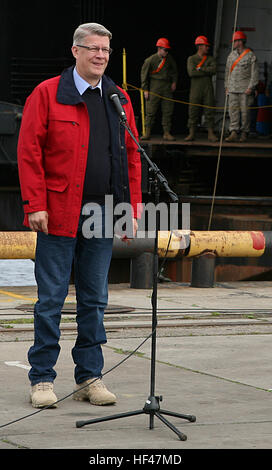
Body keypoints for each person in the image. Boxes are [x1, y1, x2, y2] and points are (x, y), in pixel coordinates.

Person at [17, 22, 142, 408]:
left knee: (95, 299)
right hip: (57, 212)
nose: (100, 55)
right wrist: (35, 202)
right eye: (93, 49)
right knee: (51, 299)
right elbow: (29, 151)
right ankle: (42, 380)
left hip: (103, 213)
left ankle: (90, 376)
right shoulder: (48, 94)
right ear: (75, 51)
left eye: (105, 49)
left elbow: (133, 157)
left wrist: (131, 209)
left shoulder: (118, 99)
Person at [140, 37, 178, 141]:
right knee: (150, 111)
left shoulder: (169, 59)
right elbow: (144, 75)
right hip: (154, 87)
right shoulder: (151, 60)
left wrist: (174, 82)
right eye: (165, 50)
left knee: (168, 110)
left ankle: (166, 132)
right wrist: (145, 89)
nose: (166, 52)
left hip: (166, 87)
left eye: (167, 50)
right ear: (159, 49)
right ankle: (147, 132)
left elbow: (174, 71)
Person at [225, 31, 259, 142]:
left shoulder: (250, 55)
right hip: (233, 88)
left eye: (235, 41)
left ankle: (245, 132)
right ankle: (234, 132)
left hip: (245, 89)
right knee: (233, 111)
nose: (233, 43)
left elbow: (255, 73)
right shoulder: (231, 55)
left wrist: (251, 87)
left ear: (240, 42)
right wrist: (227, 86)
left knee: (245, 113)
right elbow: (227, 72)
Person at [185, 35, 218, 142]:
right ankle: (191, 133)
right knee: (193, 111)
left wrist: (200, 69)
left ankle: (210, 133)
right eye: (206, 46)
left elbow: (214, 70)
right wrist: (205, 70)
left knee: (209, 110)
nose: (208, 48)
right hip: (195, 89)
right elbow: (191, 72)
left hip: (207, 88)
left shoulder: (210, 59)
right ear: (200, 46)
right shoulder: (192, 59)